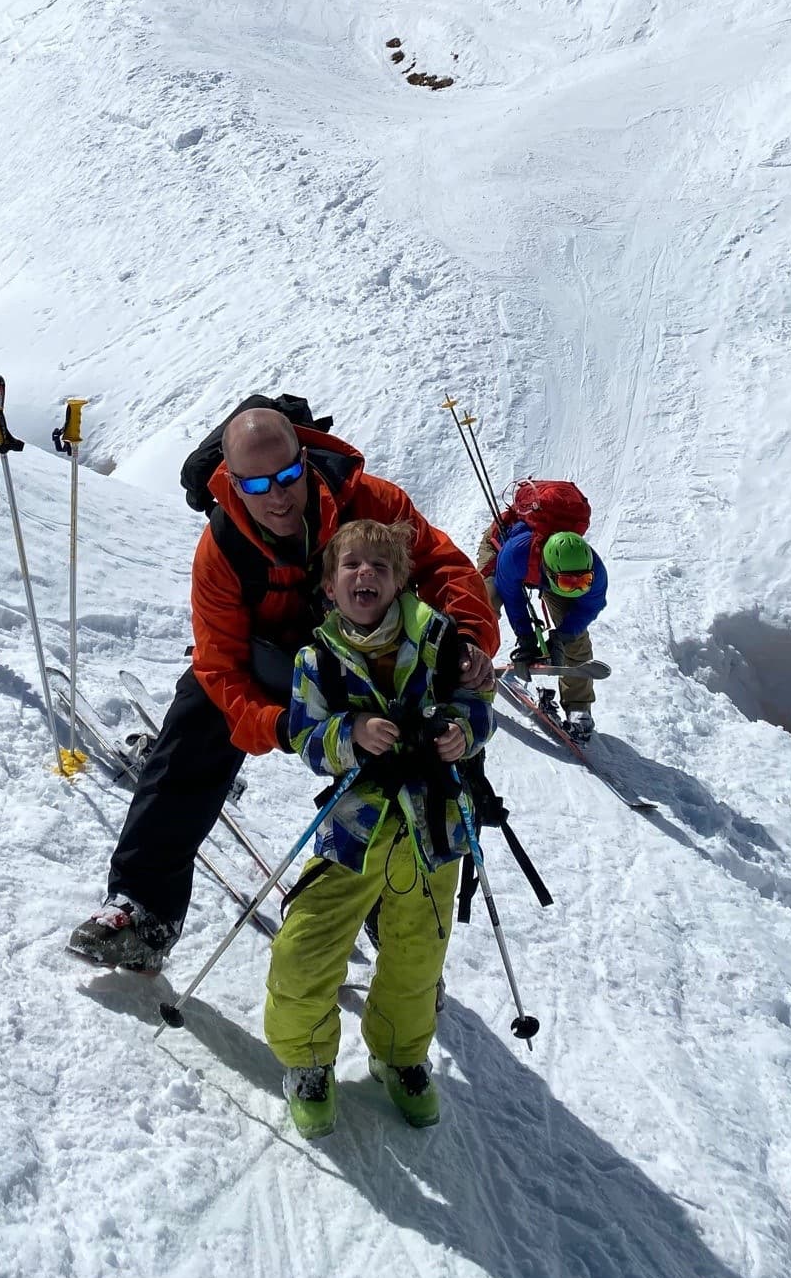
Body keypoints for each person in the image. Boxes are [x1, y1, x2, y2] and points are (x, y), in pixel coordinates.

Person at [68, 407, 499, 971]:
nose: (277, 497)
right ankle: (143, 905)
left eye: (287, 476)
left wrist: (467, 639)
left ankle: (396, 919)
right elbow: (220, 664)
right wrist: (281, 724)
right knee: (199, 715)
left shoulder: (369, 502)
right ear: (232, 483)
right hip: (278, 664)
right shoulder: (221, 550)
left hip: (371, 655)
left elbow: (441, 565)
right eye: (256, 485)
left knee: (419, 754)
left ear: (304, 461)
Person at [264, 520, 494, 1138]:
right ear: (330, 585)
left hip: (433, 826)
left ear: (400, 582)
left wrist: (461, 732)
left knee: (418, 954)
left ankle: (400, 1053)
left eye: (381, 568)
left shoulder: (440, 641)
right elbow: (309, 738)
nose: (365, 575)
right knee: (308, 943)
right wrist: (351, 735)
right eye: (352, 566)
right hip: (354, 828)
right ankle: (308, 1060)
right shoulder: (316, 660)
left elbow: (477, 708)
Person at [495, 526, 608, 742]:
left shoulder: (596, 572)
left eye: (583, 582)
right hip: (503, 556)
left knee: (577, 641)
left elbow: (588, 607)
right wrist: (526, 638)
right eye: (569, 582)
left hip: (551, 579)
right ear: (548, 569)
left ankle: (578, 707)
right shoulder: (514, 556)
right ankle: (471, 657)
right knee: (485, 601)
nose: (575, 587)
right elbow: (512, 598)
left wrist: (564, 635)